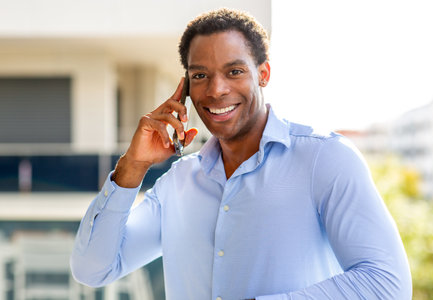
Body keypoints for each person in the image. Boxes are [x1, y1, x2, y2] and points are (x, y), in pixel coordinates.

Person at [70, 8, 412, 300]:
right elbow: (92, 269)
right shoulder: (180, 181)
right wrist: (134, 165)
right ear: (186, 87)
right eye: (200, 75)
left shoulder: (325, 160)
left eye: (234, 71)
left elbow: (387, 284)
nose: (216, 89)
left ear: (263, 74)